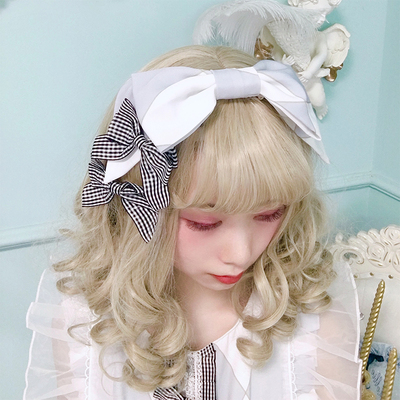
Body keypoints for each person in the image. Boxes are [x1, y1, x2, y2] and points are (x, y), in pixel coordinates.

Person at [24, 45, 361, 400]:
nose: (240, 253)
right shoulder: (82, 328)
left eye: (268, 214)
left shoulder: (313, 332)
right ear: (138, 203)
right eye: (205, 222)